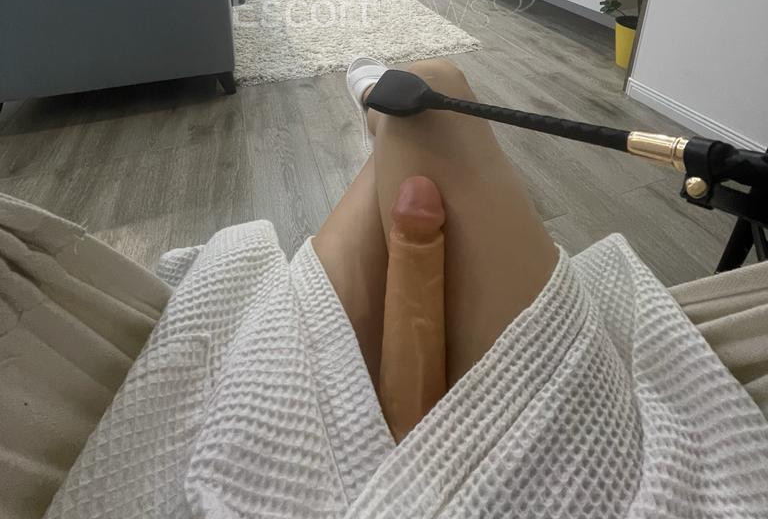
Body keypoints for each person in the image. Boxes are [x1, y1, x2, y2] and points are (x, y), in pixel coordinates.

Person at [3, 59, 768, 519]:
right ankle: (376, 110)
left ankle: (376, 111)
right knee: (426, 98)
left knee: (425, 98)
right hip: (631, 478)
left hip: (248, 460)